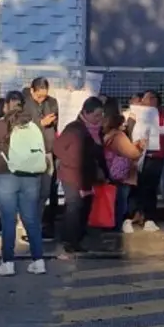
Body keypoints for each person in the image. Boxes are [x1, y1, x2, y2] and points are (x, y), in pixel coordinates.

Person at [0, 91, 47, 276]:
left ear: (6, 105)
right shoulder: (33, 124)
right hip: (31, 176)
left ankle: (8, 263)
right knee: (31, 219)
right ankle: (38, 261)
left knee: (8, 220)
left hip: (6, 176)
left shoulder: (0, 125)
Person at [53, 97, 109, 257]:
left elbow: (99, 154)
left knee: (85, 206)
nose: (99, 119)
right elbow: (57, 148)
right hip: (71, 174)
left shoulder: (96, 131)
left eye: (101, 115)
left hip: (87, 176)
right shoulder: (74, 129)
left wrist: (105, 172)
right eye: (96, 115)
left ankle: (78, 237)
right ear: (86, 112)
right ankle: (70, 241)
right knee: (74, 206)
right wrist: (74, 161)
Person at [100, 100, 146, 233]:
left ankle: (111, 225)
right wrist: (140, 147)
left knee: (115, 202)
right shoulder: (119, 137)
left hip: (112, 172)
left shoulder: (108, 135)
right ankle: (116, 227)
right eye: (124, 123)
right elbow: (132, 153)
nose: (126, 125)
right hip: (122, 175)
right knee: (121, 203)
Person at [23, 78, 60, 238]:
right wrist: (40, 123)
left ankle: (37, 222)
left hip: (48, 150)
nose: (41, 99)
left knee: (45, 190)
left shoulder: (51, 102)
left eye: (44, 96)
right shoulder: (25, 104)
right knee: (31, 191)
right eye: (38, 96)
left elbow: (55, 120)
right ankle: (28, 224)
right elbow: (22, 126)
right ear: (32, 91)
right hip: (31, 150)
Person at [130, 90, 164, 232]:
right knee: (138, 185)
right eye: (145, 98)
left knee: (151, 187)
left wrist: (150, 124)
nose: (147, 101)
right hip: (140, 154)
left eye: (151, 98)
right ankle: (138, 214)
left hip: (156, 155)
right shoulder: (138, 113)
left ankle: (150, 217)